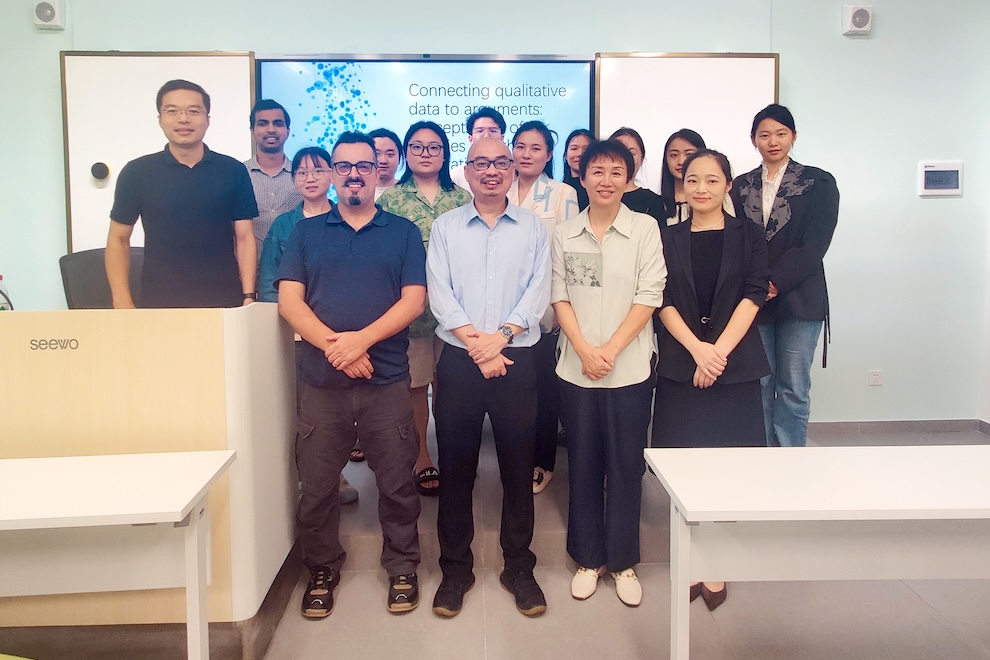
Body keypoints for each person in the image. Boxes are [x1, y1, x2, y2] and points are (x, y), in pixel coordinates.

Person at [276, 132, 427, 618]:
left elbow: (413, 301)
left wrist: (359, 341)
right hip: (322, 384)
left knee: (397, 483)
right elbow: (290, 303)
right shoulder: (306, 233)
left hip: (386, 381)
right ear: (332, 174)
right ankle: (322, 568)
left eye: (365, 166)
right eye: (344, 166)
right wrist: (337, 349)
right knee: (318, 486)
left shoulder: (402, 232)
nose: (355, 175)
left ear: (379, 172)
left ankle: (402, 565)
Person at [427, 137, 550, 619]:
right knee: (456, 468)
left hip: (516, 359)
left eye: (501, 162)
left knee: (518, 468)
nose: (492, 171)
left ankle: (519, 568)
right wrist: (477, 344)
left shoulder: (534, 227)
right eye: (481, 163)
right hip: (460, 361)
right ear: (467, 170)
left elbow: (539, 290)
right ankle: (455, 571)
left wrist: (499, 339)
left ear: (513, 169)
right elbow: (440, 292)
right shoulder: (445, 227)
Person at [653, 149, 771, 610]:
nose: (701, 188)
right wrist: (697, 351)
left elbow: (753, 294)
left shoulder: (749, 234)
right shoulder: (667, 236)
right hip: (682, 364)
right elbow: (660, 298)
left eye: (712, 180)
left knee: (728, 469)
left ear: (727, 186)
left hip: (734, 366)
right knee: (685, 468)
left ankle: (717, 560)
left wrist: (717, 353)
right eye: (692, 180)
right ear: (682, 187)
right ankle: (690, 557)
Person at [552, 139, 665, 608]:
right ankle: (587, 558)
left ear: (628, 178)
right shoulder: (565, 233)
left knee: (624, 464)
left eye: (616, 172)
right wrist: (584, 349)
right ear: (582, 177)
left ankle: (622, 561)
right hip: (576, 367)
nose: (606, 180)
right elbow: (559, 294)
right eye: (596, 171)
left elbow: (650, 293)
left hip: (629, 367)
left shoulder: (644, 228)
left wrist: (611, 351)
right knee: (582, 462)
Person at [729, 104, 839, 448]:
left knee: (793, 385)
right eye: (764, 135)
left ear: (793, 136)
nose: (773, 141)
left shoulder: (819, 182)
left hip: (800, 297)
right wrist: (759, 285)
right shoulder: (740, 186)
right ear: (753, 140)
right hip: (755, 299)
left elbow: (816, 242)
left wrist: (776, 282)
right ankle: (763, 454)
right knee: (759, 382)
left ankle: (790, 456)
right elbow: (737, 241)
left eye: (781, 134)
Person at [258, 146, 358, 506]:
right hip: (296, 336)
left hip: (341, 336)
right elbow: (269, 282)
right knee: (305, 412)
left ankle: (339, 475)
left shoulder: (347, 219)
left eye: (318, 171)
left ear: (332, 175)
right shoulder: (284, 226)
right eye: (302, 172)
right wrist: (299, 322)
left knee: (341, 411)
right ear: (294, 179)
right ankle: (306, 479)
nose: (310, 178)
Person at [378, 121, 471, 495]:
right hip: (411, 313)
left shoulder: (462, 198)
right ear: (406, 153)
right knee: (416, 386)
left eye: (434, 147)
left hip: (458, 313)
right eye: (416, 147)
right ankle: (422, 457)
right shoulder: (391, 200)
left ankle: (455, 455)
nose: (426, 153)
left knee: (450, 387)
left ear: (445, 153)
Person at [106, 79, 258, 309]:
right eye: (172, 111)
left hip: (225, 301)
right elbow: (118, 239)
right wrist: (121, 299)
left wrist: (248, 295)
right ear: (160, 119)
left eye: (194, 111)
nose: (183, 118)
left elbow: (245, 237)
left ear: (207, 119)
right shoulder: (136, 172)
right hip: (160, 301)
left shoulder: (233, 170)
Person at [509, 120, 579, 494]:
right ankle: (515, 458)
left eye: (535, 148)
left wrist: (562, 308)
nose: (526, 154)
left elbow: (567, 253)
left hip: (546, 308)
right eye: (520, 146)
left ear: (549, 154)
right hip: (503, 308)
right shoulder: (499, 187)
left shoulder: (562, 193)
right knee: (513, 391)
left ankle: (542, 461)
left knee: (543, 390)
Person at [244, 99, 303, 258]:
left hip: (294, 266)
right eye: (263, 124)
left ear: (288, 131)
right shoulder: (239, 174)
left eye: (278, 123)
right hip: (248, 267)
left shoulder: (302, 176)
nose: (271, 129)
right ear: (252, 130)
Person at [608, 127, 665, 224]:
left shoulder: (652, 201)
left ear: (642, 159)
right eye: (619, 152)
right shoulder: (595, 195)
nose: (625, 158)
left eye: (632, 153)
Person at [449, 106, 507, 191]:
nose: (486, 135)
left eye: (493, 131)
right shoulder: (456, 176)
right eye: (480, 131)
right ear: (470, 139)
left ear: (502, 138)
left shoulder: (510, 172)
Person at [562, 129, 594, 211]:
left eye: (586, 149)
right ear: (565, 155)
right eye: (574, 149)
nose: (580, 154)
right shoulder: (559, 190)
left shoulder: (599, 190)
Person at [369, 127, 403, 200]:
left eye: (389, 154)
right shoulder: (358, 192)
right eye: (376, 154)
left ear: (399, 158)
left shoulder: (409, 192)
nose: (383, 161)